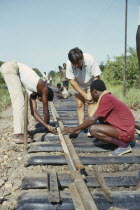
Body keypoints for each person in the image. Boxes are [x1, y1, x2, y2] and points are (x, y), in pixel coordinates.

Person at [63, 80, 135, 156]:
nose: (91, 96)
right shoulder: (107, 96)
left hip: (126, 133)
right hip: (124, 129)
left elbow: (92, 120)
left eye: (91, 93)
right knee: (99, 119)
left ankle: (123, 146)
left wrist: (75, 129)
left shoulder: (107, 99)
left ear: (95, 91)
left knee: (93, 129)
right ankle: (108, 140)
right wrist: (78, 131)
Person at [0, 60, 57, 143]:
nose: (43, 101)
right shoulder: (43, 87)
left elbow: (34, 112)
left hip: (10, 68)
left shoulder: (34, 93)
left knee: (21, 102)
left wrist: (46, 126)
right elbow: (45, 111)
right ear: (46, 95)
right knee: (18, 101)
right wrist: (48, 127)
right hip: (11, 67)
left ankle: (23, 131)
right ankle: (18, 135)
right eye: (45, 99)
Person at [66, 47, 101, 126]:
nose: (76, 65)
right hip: (78, 83)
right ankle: (81, 126)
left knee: (90, 102)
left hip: (92, 83)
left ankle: (91, 125)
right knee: (80, 105)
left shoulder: (90, 59)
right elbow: (72, 81)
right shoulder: (69, 64)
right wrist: (84, 95)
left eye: (78, 63)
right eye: (74, 63)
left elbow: (96, 76)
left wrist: (89, 93)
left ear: (82, 58)